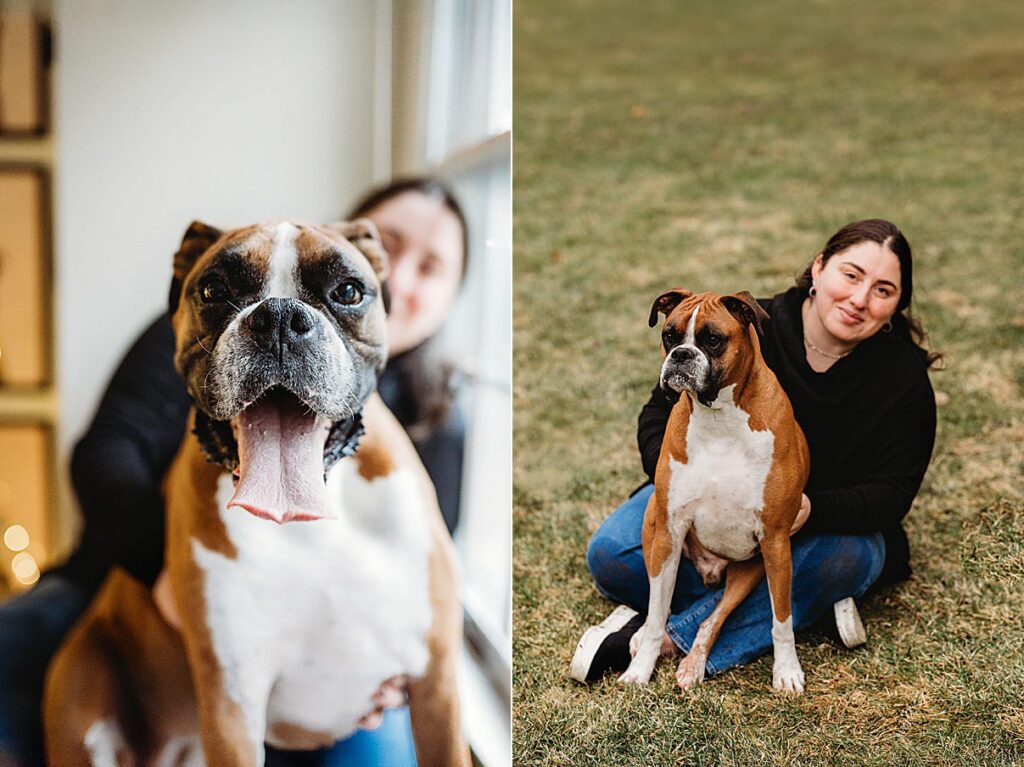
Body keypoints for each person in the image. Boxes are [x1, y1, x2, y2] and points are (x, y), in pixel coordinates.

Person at [0, 177, 468, 767]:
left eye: (347, 291)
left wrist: (379, 675)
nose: (404, 274)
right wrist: (171, 582)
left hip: (321, 674)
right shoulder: (189, 332)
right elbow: (104, 454)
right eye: (393, 246)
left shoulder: (438, 419)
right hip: (116, 588)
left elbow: (429, 621)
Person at [571, 219, 940, 684]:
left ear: (897, 305)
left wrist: (811, 509)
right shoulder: (748, 321)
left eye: (882, 290)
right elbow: (655, 416)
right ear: (819, 268)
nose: (859, 298)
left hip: (819, 527)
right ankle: (805, 609)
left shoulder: (902, 379)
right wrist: (678, 484)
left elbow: (892, 494)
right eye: (851, 275)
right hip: (699, 496)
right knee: (611, 554)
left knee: (842, 563)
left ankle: (667, 635)